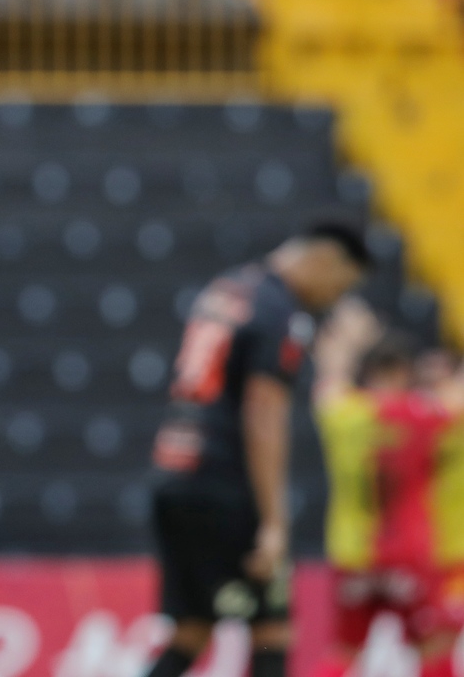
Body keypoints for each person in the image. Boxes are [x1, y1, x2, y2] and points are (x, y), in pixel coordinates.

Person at [138, 218, 373, 677]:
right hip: (224, 484)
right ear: (326, 261)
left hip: (177, 473)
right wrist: (274, 522)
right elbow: (263, 415)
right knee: (272, 629)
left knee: (191, 631)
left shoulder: (228, 289)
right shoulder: (279, 310)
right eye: (342, 284)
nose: (335, 297)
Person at [312, 306, 464, 677]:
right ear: (405, 372)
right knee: (434, 647)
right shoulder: (426, 415)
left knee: (345, 651)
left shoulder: (345, 413)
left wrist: (346, 341)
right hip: (414, 550)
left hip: (353, 552)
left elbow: (328, 382)